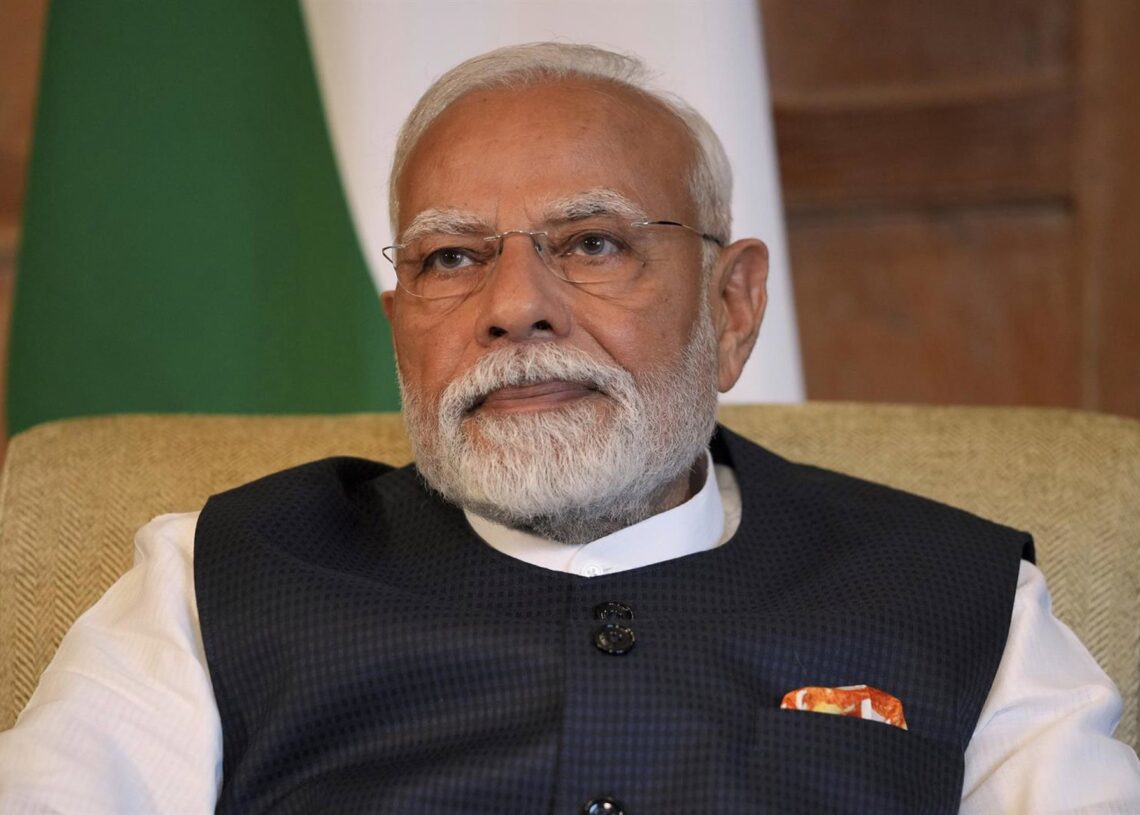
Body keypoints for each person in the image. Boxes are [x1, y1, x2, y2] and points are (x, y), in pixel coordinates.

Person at [1, 42, 1138, 814]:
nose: (513, 304)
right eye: (453, 256)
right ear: (403, 325)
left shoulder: (956, 593)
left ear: (731, 306)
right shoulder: (217, 578)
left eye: (592, 241)